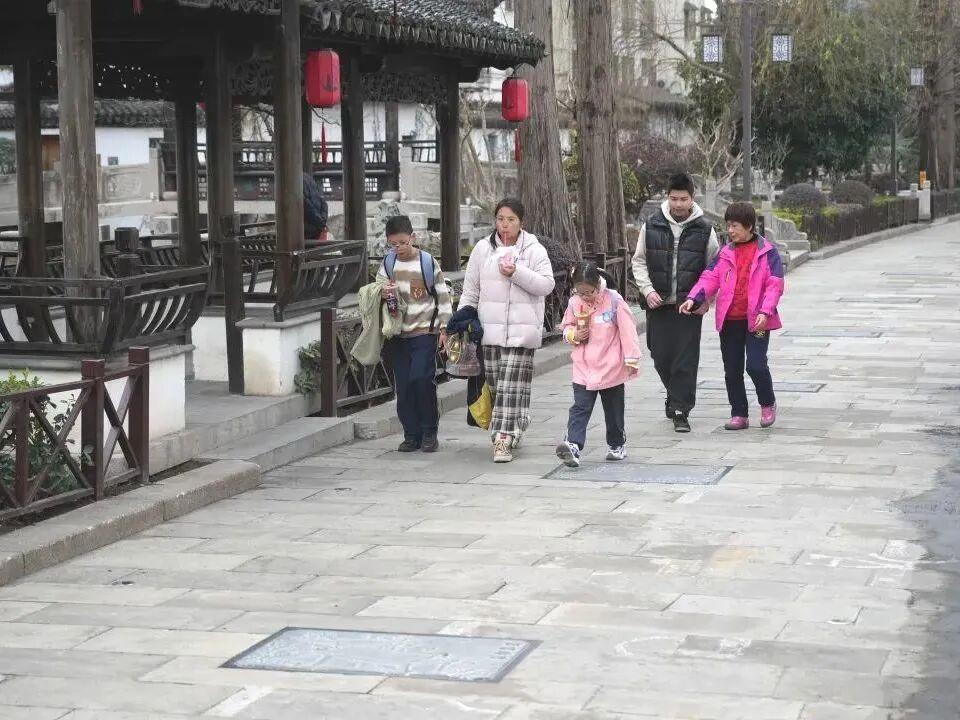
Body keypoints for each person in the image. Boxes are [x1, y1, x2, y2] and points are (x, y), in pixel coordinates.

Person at [459, 198, 555, 463]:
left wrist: (516, 272)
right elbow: (471, 289)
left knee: (511, 385)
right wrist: (461, 318)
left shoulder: (534, 250)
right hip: (489, 332)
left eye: (511, 220)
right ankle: (518, 420)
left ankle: (502, 438)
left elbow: (547, 285)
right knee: (496, 386)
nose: (505, 225)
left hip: (523, 332)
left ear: (521, 222)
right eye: (500, 219)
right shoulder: (483, 249)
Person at [680, 202, 784, 430]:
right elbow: (709, 277)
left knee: (756, 365)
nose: (730, 230)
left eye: (735, 226)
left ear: (749, 226)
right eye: (728, 225)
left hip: (757, 320)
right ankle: (739, 413)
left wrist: (765, 311)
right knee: (732, 368)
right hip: (730, 320)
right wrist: (694, 298)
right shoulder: (725, 253)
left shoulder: (768, 252)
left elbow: (774, 285)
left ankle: (768, 403)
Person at [631, 173, 720, 433]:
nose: (678, 204)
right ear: (667, 198)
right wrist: (647, 290)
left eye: (683, 199)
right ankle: (674, 393)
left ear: (692, 198)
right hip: (658, 303)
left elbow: (714, 267)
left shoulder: (705, 229)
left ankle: (681, 409)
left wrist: (705, 299)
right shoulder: (652, 224)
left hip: (688, 306)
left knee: (685, 359)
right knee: (660, 355)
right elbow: (638, 261)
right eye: (673, 199)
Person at [377, 215, 453, 452]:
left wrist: (444, 328)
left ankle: (429, 431)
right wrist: (383, 291)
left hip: (424, 333)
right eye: (393, 244)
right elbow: (376, 288)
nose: (398, 248)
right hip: (397, 335)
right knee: (404, 387)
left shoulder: (427, 262)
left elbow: (442, 296)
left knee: (421, 380)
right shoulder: (388, 263)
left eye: (403, 242)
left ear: (413, 237)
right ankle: (411, 434)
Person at [556, 262, 642, 468]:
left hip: (610, 366)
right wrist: (573, 335)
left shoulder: (614, 300)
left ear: (598, 285)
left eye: (590, 292)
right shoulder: (574, 303)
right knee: (580, 407)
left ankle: (617, 444)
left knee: (613, 409)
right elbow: (566, 327)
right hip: (583, 366)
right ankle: (573, 445)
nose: (586, 296)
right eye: (581, 292)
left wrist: (631, 358)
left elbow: (628, 331)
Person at [303, 171, 329, 242]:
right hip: (316, 227)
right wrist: (322, 221)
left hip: (306, 229)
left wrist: (320, 222)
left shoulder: (295, 180)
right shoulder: (310, 179)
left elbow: (306, 206)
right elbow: (323, 202)